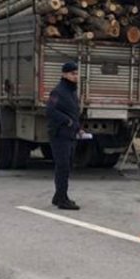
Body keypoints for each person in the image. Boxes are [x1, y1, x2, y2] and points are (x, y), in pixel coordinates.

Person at [46, 61, 83, 210]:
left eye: (76, 73)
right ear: (64, 74)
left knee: (67, 166)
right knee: (62, 166)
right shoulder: (58, 91)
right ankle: (62, 199)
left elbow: (73, 113)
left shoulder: (72, 92)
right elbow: (50, 111)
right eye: (72, 74)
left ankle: (60, 195)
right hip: (59, 135)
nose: (75, 76)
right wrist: (67, 121)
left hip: (71, 134)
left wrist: (78, 128)